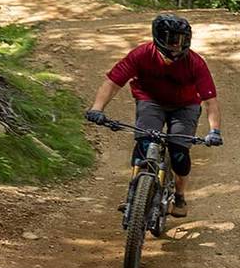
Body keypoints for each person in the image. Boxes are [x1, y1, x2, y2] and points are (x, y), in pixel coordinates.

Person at [83, 13, 222, 217]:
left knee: (179, 153)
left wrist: (214, 131)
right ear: (158, 37)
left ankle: (180, 195)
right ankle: (134, 194)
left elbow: (210, 101)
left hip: (185, 106)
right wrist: (97, 108)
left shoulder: (195, 63)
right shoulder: (141, 55)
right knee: (145, 142)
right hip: (150, 101)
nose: (176, 44)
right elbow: (113, 83)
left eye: (181, 39)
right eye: (171, 39)